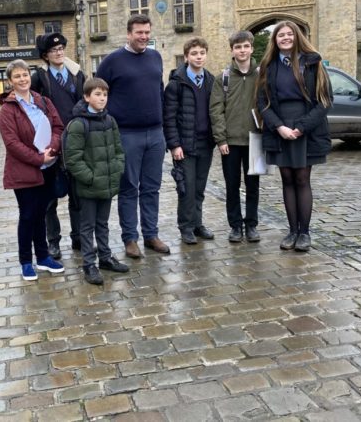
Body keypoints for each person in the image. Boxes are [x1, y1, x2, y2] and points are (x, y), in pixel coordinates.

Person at [255, 21, 332, 252]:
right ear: (275, 40)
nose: (286, 38)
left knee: (301, 179)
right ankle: (291, 231)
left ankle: (305, 233)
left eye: (289, 34)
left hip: (306, 126)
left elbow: (325, 101)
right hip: (279, 127)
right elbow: (262, 102)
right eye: (281, 35)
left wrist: (302, 127)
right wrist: (278, 127)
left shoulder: (313, 62)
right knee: (286, 179)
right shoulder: (268, 65)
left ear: (297, 36)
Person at [97, 14, 170, 258]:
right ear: (128, 34)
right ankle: (130, 238)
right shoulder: (112, 61)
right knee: (129, 188)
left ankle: (151, 234)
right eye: (139, 32)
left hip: (155, 134)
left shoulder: (155, 57)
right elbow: (98, 94)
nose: (144, 37)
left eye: (147, 32)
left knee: (152, 188)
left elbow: (159, 92)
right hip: (127, 135)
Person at [0, 59, 65, 281]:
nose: (22, 79)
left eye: (25, 74)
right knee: (28, 215)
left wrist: (53, 148)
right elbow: (12, 144)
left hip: (48, 167)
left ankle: (43, 257)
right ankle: (26, 261)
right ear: (10, 81)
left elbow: (58, 126)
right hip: (25, 170)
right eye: (17, 76)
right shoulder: (8, 110)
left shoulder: (43, 101)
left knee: (41, 214)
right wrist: (38, 158)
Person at [64, 77, 128, 285]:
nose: (102, 98)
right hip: (89, 186)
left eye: (105, 94)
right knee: (87, 226)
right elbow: (72, 159)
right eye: (97, 94)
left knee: (103, 224)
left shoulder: (110, 121)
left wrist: (116, 169)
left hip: (107, 184)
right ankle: (89, 264)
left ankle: (105, 257)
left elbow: (118, 150)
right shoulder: (78, 124)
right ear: (86, 97)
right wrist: (90, 178)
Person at [31, 32, 85, 259]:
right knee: (50, 199)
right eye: (54, 50)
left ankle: (78, 237)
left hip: (75, 143)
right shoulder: (39, 78)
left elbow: (85, 102)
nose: (59, 53)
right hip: (50, 143)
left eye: (61, 48)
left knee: (77, 195)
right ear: (45, 55)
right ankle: (53, 242)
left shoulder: (76, 75)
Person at [210, 31, 261, 243]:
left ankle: (251, 225)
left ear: (251, 48)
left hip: (255, 140)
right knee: (232, 186)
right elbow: (216, 110)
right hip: (230, 142)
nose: (242, 51)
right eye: (238, 47)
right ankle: (235, 226)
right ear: (232, 50)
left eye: (245, 46)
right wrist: (221, 139)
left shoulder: (261, 75)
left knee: (253, 186)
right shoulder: (222, 78)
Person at [163, 37, 216, 245]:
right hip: (184, 145)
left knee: (200, 187)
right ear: (186, 57)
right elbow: (169, 116)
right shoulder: (177, 83)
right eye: (194, 53)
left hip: (205, 143)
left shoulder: (211, 80)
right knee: (187, 188)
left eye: (202, 53)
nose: (198, 57)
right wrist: (174, 145)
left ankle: (197, 223)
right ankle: (185, 227)